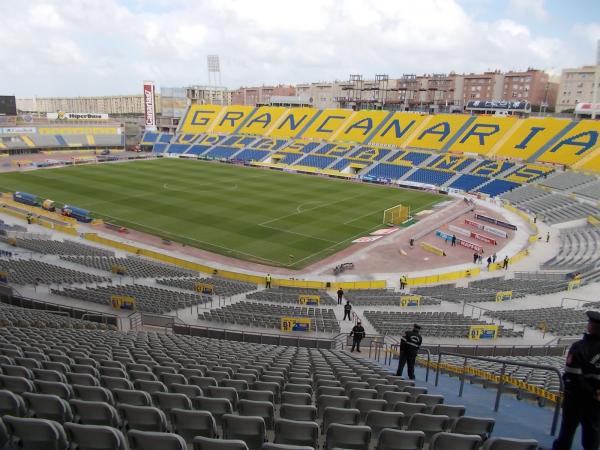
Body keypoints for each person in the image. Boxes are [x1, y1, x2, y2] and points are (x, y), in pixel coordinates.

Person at [548, 311, 600, 450]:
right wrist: (595, 393)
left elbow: (572, 376)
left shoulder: (579, 347)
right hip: (595, 400)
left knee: (567, 431)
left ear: (590, 327)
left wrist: (588, 391)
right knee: (592, 435)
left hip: (575, 398)